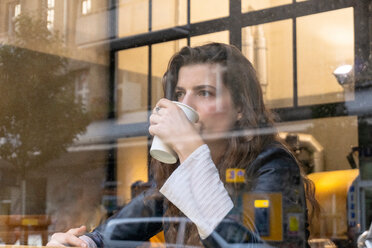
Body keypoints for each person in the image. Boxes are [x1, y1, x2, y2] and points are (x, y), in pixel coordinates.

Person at [47, 42, 317, 248]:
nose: (185, 106)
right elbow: (139, 215)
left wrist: (190, 149)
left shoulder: (271, 163)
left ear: (240, 109)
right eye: (179, 94)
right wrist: (86, 243)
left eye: (204, 92)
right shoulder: (183, 169)